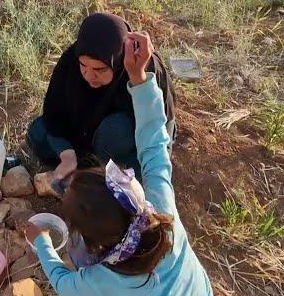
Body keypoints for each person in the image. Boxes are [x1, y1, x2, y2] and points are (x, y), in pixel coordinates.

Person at [23, 31, 213, 296]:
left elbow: (62, 281)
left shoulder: (100, 284)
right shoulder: (162, 213)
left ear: (93, 245)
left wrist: (41, 241)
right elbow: (155, 145)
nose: (89, 75)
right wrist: (138, 76)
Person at [27, 12, 176, 182]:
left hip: (122, 142)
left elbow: (161, 132)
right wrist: (67, 155)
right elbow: (53, 113)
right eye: (83, 66)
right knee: (37, 132)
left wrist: (152, 174)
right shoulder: (71, 59)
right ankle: (87, 162)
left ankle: (103, 166)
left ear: (118, 61)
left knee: (114, 131)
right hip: (83, 133)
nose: (89, 75)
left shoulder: (142, 68)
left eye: (100, 70)